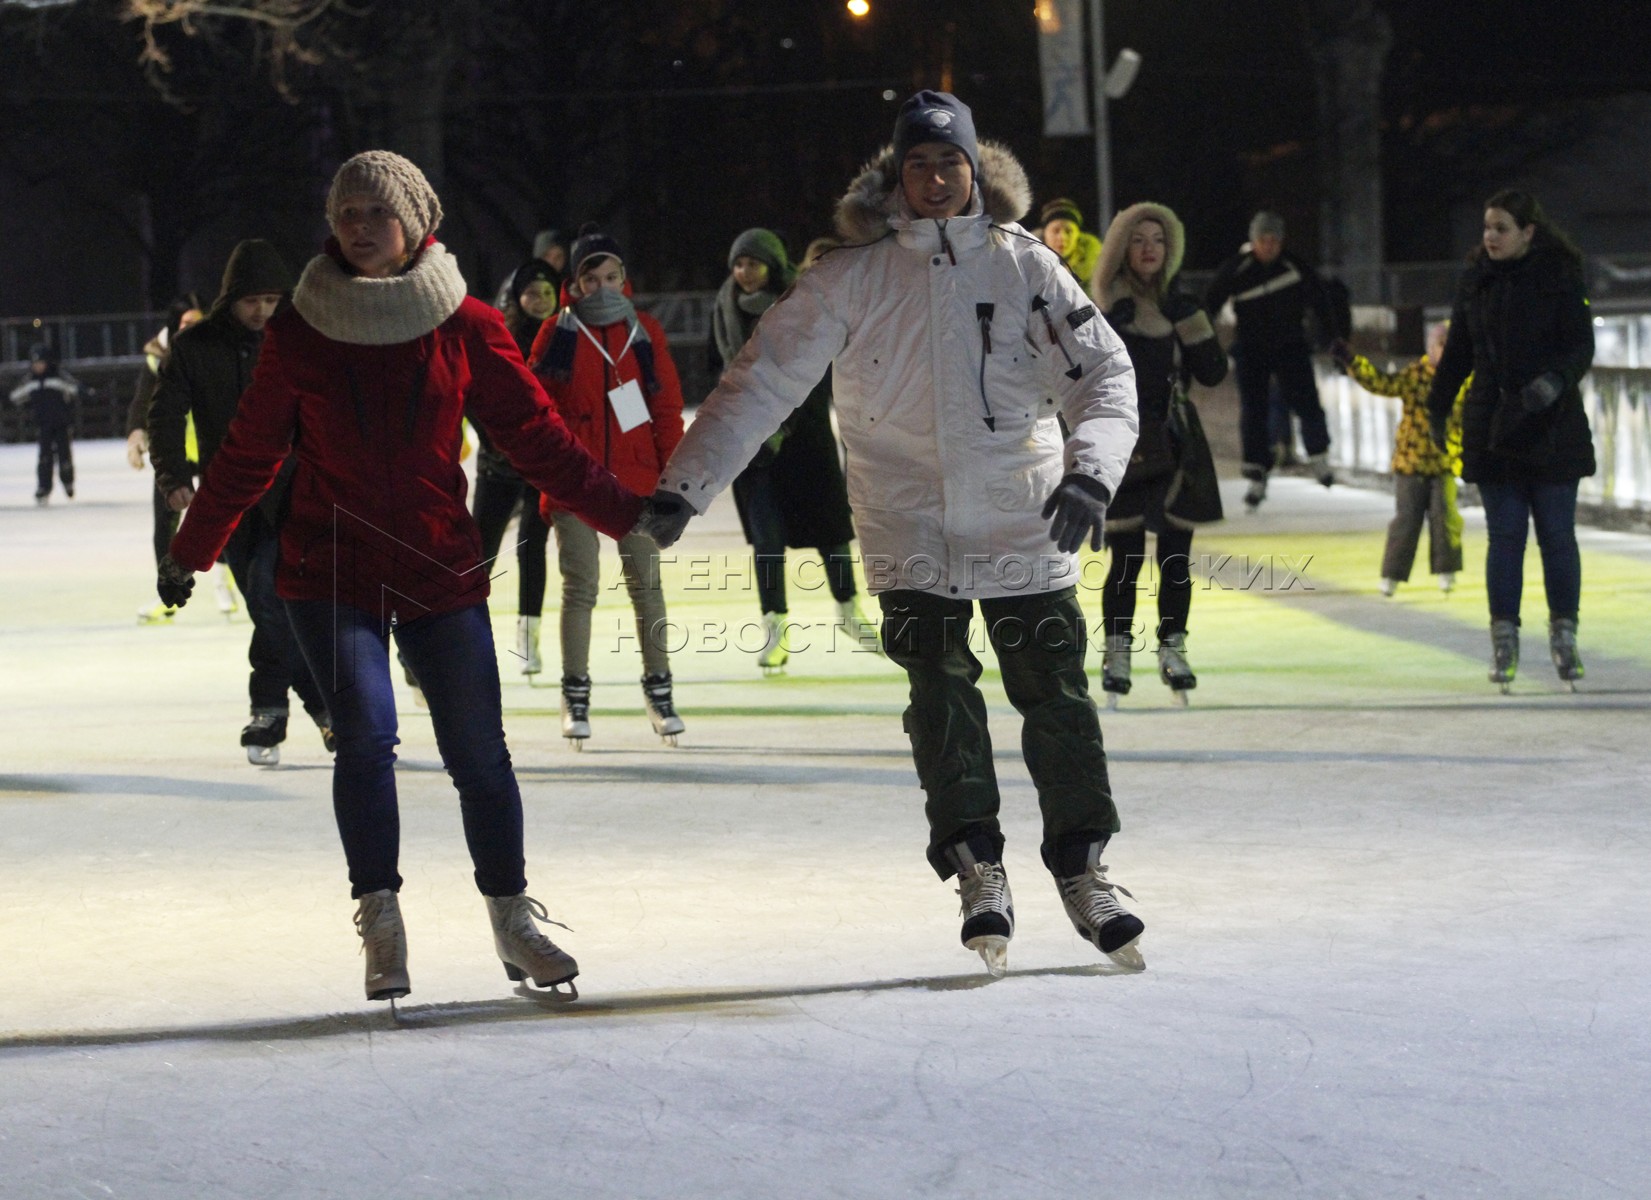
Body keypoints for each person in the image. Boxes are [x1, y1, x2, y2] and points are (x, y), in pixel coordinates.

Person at [635, 91, 1146, 976]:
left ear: (974, 170)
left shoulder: (1023, 266)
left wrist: (1091, 471)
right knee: (940, 698)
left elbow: (1104, 373)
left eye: (950, 163)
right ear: (895, 177)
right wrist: (687, 485)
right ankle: (976, 864)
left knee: (1056, 697)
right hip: (906, 523)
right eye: (918, 164)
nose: (936, 179)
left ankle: (1081, 866)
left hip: (1023, 516)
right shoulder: (849, 275)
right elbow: (758, 384)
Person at [156, 150, 645, 1002]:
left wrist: (625, 511)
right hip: (329, 566)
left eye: (374, 214)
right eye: (345, 214)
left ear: (414, 222)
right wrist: (192, 547)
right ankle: (380, 918)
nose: (357, 228)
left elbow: (533, 437)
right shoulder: (303, 325)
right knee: (368, 737)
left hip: (434, 561)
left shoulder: (461, 323)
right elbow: (248, 449)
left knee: (477, 752)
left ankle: (511, 918)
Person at [148, 240, 333, 765]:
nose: (264, 312)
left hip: (296, 492)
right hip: (231, 497)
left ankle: (269, 709)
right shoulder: (194, 346)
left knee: (271, 596)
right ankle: (325, 706)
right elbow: (165, 414)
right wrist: (173, 473)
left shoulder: (297, 342)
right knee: (268, 609)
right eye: (254, 301)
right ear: (230, 297)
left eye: (274, 301)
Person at [1423, 189, 1595, 693]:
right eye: (1486, 227)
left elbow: (1580, 344)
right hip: (1494, 424)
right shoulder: (1477, 280)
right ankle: (1505, 639)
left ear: (1528, 232)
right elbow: (1457, 351)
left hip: (1550, 424)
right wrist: (1436, 406)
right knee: (1506, 538)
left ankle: (1564, 634)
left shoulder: (1560, 275)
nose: (1489, 237)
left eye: (1500, 228)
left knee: (1558, 536)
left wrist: (1556, 381)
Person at [527, 224, 686, 747]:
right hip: (578, 481)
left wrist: (672, 481)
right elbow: (534, 409)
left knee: (647, 587)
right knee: (581, 587)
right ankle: (575, 693)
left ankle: (659, 689)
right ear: (575, 282)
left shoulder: (645, 331)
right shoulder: (557, 330)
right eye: (591, 278)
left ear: (625, 279)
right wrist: (554, 470)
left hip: (638, 481)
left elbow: (664, 408)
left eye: (611, 275)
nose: (603, 286)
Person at [708, 227, 881, 674]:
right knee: (767, 539)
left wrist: (783, 425)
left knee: (831, 531)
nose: (745, 272)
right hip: (751, 444)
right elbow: (717, 371)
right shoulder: (723, 308)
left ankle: (849, 610)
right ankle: (776, 627)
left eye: (753, 262)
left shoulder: (801, 301)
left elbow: (816, 369)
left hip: (803, 438)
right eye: (739, 263)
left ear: (772, 263)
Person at [1091, 202, 1229, 705]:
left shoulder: (1179, 305)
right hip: (1124, 442)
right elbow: (1079, 378)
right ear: (1122, 248)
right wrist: (1109, 326)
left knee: (1175, 558)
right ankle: (1117, 651)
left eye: (1158, 240)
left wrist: (1195, 326)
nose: (1149, 249)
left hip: (1176, 441)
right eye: (1139, 239)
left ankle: (1173, 648)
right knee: (1125, 558)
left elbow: (1213, 374)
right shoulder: (1105, 306)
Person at [1204, 211, 1338, 507]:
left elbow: (1320, 299)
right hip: (1251, 349)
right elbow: (1210, 301)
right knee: (1254, 410)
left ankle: (1319, 456)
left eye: (1274, 240)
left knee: (1306, 401)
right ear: (1253, 241)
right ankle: (1256, 470)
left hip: (1291, 345)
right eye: (1263, 240)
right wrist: (1200, 340)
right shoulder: (1238, 269)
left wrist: (1331, 337)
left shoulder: (1294, 266)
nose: (1268, 246)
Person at [470, 258, 561, 677]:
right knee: (478, 551)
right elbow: (476, 394)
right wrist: (492, 441)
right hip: (500, 464)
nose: (540, 301)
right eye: (532, 293)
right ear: (516, 297)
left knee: (532, 547)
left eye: (547, 292)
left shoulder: (567, 337)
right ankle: (461, 632)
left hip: (543, 463)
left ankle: (528, 639)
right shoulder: (498, 338)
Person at [1331, 322, 1464, 596]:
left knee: (1446, 518)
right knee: (1406, 520)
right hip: (1411, 462)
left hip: (1444, 462)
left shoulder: (1463, 380)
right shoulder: (1416, 375)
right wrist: (1352, 361)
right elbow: (1382, 383)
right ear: (1430, 348)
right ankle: (1391, 575)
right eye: (1441, 345)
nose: (1446, 351)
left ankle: (1446, 571)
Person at [9, 343, 78, 505]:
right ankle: (43, 488)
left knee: (64, 456)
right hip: (43, 425)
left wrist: (85, 392)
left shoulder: (58, 377)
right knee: (44, 458)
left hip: (61, 423)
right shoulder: (30, 381)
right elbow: (15, 396)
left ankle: (67, 481)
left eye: (41, 363)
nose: (38, 367)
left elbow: (74, 388)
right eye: (35, 364)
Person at [1036, 197, 1102, 297]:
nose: (1062, 237)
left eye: (1068, 231)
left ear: (1078, 235)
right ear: (1045, 234)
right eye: (1056, 230)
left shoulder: (1098, 275)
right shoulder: (1027, 269)